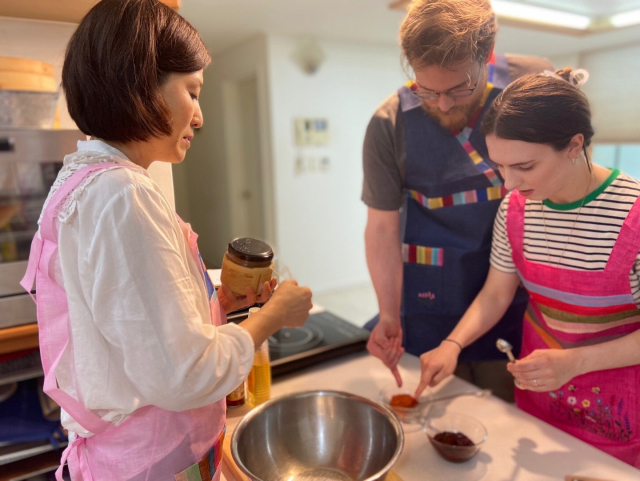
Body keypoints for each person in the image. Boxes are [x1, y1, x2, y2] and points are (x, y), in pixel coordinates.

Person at [20, 1, 312, 479]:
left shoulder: (84, 184)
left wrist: (218, 304)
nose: (199, 117)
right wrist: (272, 316)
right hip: (152, 463)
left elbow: (131, 327)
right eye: (192, 92)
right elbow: (182, 374)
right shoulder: (123, 195)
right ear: (139, 85)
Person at [414, 68, 640, 467]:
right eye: (500, 167)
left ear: (574, 145)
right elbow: (496, 293)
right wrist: (453, 344)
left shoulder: (633, 215)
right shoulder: (516, 209)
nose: (509, 183)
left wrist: (576, 362)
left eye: (525, 166)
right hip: (540, 394)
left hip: (618, 410)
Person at [362, 0, 552, 400]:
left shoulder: (531, 87)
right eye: (428, 91)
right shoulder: (389, 124)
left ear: (488, 53)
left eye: (459, 88)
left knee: (505, 409)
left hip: (515, 291)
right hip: (431, 296)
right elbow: (381, 229)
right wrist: (389, 313)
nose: (444, 104)